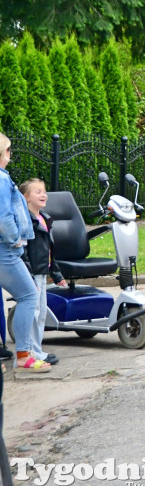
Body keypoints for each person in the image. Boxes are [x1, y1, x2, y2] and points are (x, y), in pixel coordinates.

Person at [0, 134, 49, 372]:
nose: (10, 156)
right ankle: (24, 355)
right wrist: (14, 240)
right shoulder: (0, 178)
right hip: (5, 250)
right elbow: (3, 216)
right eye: (8, 151)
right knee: (29, 295)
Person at [19, 179, 67, 367]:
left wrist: (56, 273)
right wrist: (29, 274)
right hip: (33, 274)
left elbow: (49, 251)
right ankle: (30, 351)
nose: (43, 195)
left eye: (44, 191)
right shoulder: (26, 221)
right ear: (26, 198)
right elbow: (23, 251)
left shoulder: (44, 218)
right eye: (37, 191)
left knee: (40, 314)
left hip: (42, 272)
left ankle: (37, 350)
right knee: (34, 312)